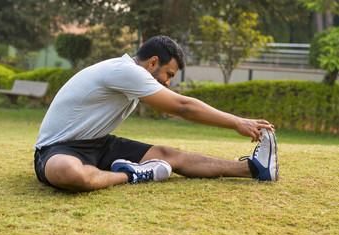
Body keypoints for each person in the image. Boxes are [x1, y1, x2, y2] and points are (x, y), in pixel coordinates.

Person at [34, 35, 278, 192]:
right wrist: (237, 122)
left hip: (97, 144)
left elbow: (179, 105)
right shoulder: (126, 71)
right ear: (152, 63)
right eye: (169, 74)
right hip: (58, 147)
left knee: (166, 154)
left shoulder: (129, 74)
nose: (168, 82)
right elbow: (182, 107)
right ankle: (131, 174)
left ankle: (255, 169)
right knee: (69, 173)